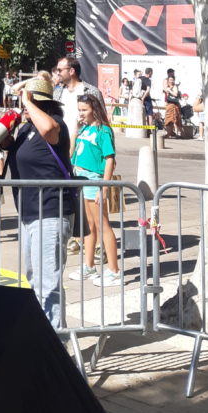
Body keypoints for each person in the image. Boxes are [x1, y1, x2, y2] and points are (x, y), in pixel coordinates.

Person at [3, 73, 75, 329]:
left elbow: (49, 131)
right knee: (35, 278)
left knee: (48, 282)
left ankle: (55, 341)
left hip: (51, 210)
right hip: (29, 211)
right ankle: (44, 333)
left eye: (30, 103)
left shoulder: (54, 123)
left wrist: (27, 100)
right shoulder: (26, 128)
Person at [70, 94, 121, 286]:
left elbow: (109, 159)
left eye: (84, 110)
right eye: (79, 110)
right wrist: (75, 133)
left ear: (94, 109)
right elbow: (72, 154)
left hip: (94, 179)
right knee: (88, 225)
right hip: (81, 179)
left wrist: (104, 187)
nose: (81, 113)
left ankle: (114, 270)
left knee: (102, 224)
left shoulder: (103, 130)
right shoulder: (85, 129)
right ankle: (89, 265)